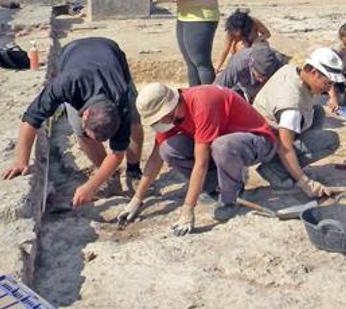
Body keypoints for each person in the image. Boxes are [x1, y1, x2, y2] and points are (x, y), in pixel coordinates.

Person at [120, 83, 282, 234]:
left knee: (222, 146)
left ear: (170, 108)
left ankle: (230, 198)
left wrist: (188, 209)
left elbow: (201, 163)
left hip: (258, 141)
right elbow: (156, 157)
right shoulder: (172, 116)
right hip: (223, 142)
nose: (160, 123)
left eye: (160, 118)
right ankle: (215, 186)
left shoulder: (202, 105)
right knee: (167, 149)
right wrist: (136, 200)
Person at [1, 37, 144, 205]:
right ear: (85, 114)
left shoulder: (121, 98)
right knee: (82, 135)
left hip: (110, 54)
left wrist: (90, 186)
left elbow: (117, 153)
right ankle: (110, 177)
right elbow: (30, 119)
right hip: (73, 52)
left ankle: (134, 171)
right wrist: (21, 161)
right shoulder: (65, 85)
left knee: (134, 122)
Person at [251, 48, 343, 193]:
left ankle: (289, 166)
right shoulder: (291, 106)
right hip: (266, 141)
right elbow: (285, 148)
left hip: (268, 127)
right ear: (314, 72)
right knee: (331, 140)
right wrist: (305, 183)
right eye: (327, 83)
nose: (328, 88)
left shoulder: (292, 70)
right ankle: (275, 170)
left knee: (318, 112)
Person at [214, 42, 284, 103]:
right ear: (252, 65)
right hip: (242, 86)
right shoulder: (238, 64)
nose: (262, 80)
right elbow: (216, 89)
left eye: (265, 77)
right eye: (260, 75)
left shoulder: (279, 65)